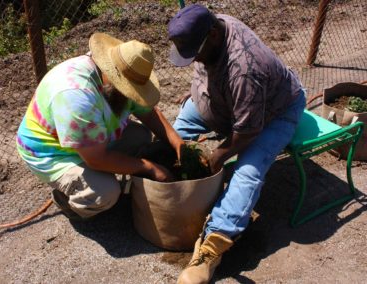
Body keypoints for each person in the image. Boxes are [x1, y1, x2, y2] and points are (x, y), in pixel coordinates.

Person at [168, 4, 306, 283]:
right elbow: (210, 69)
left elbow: (246, 132)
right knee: (176, 134)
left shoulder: (244, 68)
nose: (195, 59)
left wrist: (219, 156)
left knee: (248, 172)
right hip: (228, 101)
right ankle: (161, 187)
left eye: (196, 53)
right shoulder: (214, 26)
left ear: (214, 35)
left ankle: (210, 250)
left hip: (273, 112)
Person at [16, 33, 184, 220]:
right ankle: (68, 199)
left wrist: (178, 143)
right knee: (104, 194)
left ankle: (108, 174)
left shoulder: (118, 74)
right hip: (52, 153)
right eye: (127, 89)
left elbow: (149, 112)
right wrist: (150, 168)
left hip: (90, 139)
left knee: (140, 137)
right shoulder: (76, 96)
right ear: (111, 75)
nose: (131, 94)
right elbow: (96, 159)